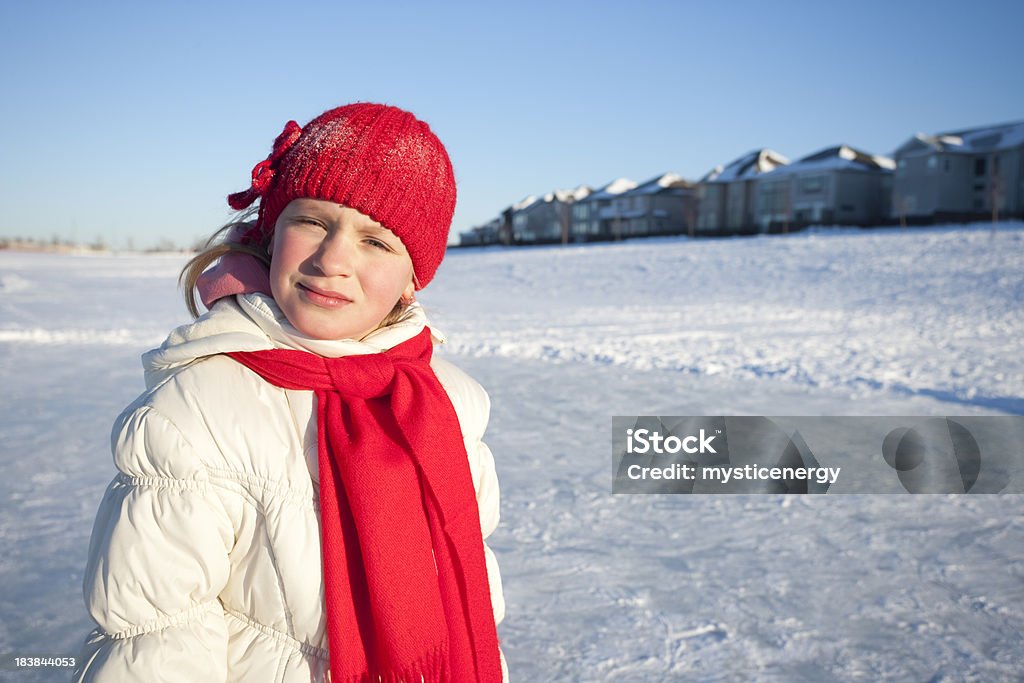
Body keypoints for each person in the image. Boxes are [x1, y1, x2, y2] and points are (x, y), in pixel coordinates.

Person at [75, 103, 507, 682]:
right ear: (272, 232)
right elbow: (154, 640)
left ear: (412, 279)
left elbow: (470, 597)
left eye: (376, 242)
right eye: (313, 222)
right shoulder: (196, 412)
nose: (332, 260)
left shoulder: (448, 406)